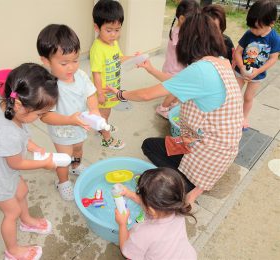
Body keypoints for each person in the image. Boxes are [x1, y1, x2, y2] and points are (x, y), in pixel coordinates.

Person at [108, 13, 243, 205]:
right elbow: (178, 83)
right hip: (219, 149)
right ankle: (193, 183)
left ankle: (185, 184)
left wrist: (120, 94)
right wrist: (150, 69)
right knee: (152, 145)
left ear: (190, 41)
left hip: (207, 151)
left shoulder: (201, 70)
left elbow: (147, 95)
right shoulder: (220, 61)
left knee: (151, 158)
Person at [0, 63, 58, 260]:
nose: (41, 118)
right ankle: (12, 251)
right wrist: (44, 163)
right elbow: (15, 163)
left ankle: (27, 220)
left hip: (3, 169)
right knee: (11, 212)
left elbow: (20, 137)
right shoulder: (5, 132)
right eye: (39, 114)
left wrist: (32, 146)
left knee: (22, 191)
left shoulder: (8, 107)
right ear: (20, 105)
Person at [37, 24, 100, 201]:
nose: (71, 67)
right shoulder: (48, 86)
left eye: (75, 60)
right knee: (63, 158)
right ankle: (63, 182)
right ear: (46, 61)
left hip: (81, 126)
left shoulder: (80, 76)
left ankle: (76, 165)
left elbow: (91, 93)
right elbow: (46, 116)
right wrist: (69, 120)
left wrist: (94, 109)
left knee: (78, 149)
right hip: (62, 131)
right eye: (64, 63)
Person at [115, 167, 197, 260]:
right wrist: (128, 193)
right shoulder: (178, 210)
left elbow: (125, 250)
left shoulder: (144, 232)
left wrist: (122, 224)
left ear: (151, 210)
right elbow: (149, 204)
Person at [139, 0, 200, 119]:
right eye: (193, 22)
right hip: (173, 69)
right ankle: (162, 108)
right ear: (182, 19)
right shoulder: (178, 33)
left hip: (177, 68)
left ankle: (172, 103)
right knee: (175, 90)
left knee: (177, 91)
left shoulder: (181, 31)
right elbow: (186, 50)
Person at [234, 0, 280, 130]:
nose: (252, 30)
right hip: (240, 71)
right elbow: (238, 52)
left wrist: (258, 71)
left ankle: (244, 117)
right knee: (234, 94)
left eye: (256, 27)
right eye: (251, 26)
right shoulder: (249, 34)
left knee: (248, 97)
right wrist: (242, 68)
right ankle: (232, 114)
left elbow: (273, 59)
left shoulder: (274, 38)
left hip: (257, 75)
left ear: (271, 23)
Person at [90, 0, 126, 149]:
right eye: (109, 30)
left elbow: (120, 58)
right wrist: (99, 93)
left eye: (117, 30)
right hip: (103, 91)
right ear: (97, 27)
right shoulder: (98, 48)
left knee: (106, 112)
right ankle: (107, 139)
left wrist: (136, 58)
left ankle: (101, 126)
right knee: (103, 114)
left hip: (111, 89)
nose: (113, 35)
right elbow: (96, 73)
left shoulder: (113, 43)